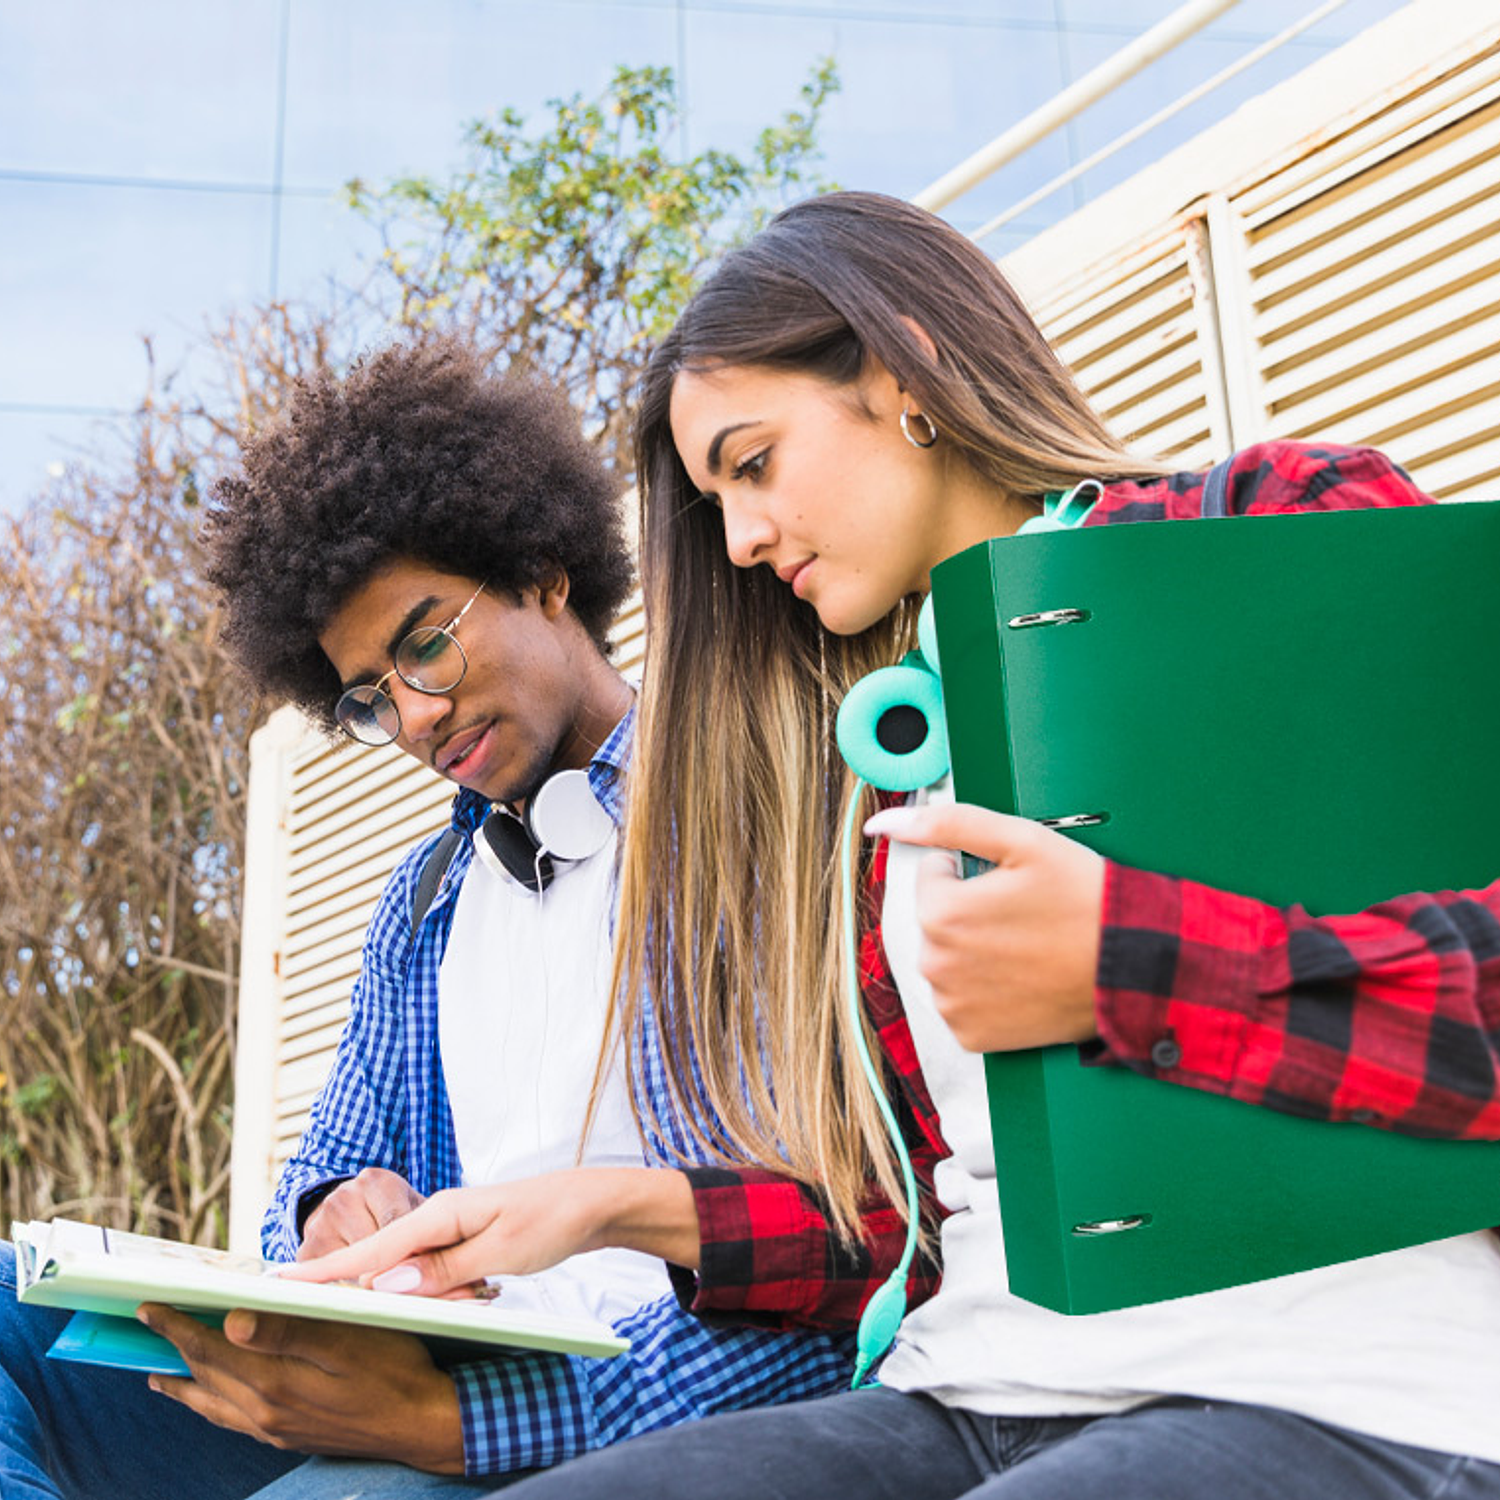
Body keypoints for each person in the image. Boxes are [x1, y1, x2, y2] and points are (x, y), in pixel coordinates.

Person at [288, 195, 1500, 1499]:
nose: (742, 542)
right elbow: (925, 1223)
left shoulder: (1276, 524)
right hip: (974, 1385)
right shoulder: (885, 767)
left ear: (906, 372)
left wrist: (1119, 958)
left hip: (1345, 1384)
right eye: (717, 500)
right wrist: (607, 1205)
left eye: (752, 464)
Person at [0, 337, 854, 1500]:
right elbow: (323, 1177)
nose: (410, 717)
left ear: (544, 573)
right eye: (366, 694)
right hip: (431, 1350)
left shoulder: (759, 803)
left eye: (424, 644)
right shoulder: (425, 901)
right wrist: (327, 1217)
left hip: (621, 1394)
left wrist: (450, 1420)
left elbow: (843, 1261)